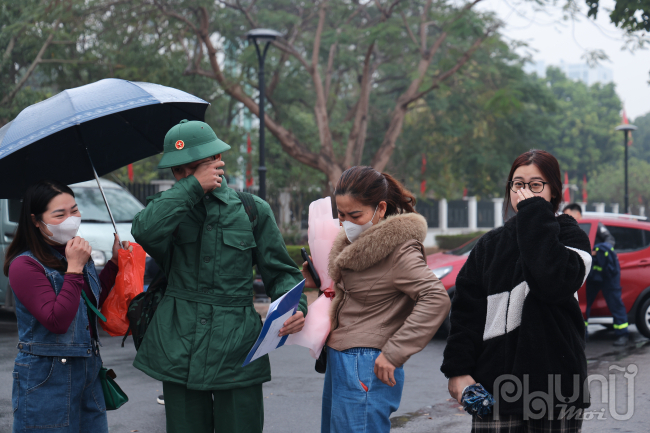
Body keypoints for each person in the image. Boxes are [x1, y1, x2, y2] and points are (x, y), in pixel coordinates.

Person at [130, 119, 307, 433]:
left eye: (195, 167)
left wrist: (297, 308)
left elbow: (281, 274)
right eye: (179, 171)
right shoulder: (167, 210)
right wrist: (192, 187)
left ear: (216, 162)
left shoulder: (253, 210)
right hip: (179, 346)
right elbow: (144, 230)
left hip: (237, 346)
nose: (185, 176)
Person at [441, 150, 592, 432]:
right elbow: (465, 315)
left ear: (553, 191)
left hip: (557, 391)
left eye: (536, 185)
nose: (525, 191)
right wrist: (458, 371)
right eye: (518, 184)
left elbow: (552, 281)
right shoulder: (489, 246)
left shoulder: (571, 237)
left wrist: (534, 213)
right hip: (496, 392)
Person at [303, 166, 451, 433]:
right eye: (341, 215)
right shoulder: (358, 245)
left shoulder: (399, 250)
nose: (346, 222)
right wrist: (319, 283)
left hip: (367, 361)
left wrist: (395, 353)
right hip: (342, 357)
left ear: (381, 209)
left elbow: (436, 298)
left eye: (355, 214)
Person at [7, 180, 131, 433]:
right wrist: (74, 268)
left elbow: (88, 302)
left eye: (74, 210)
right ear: (36, 220)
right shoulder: (24, 266)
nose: (71, 219)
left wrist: (114, 264)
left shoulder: (74, 252)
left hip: (88, 368)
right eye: (60, 214)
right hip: (46, 376)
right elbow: (57, 321)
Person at [563, 203, 629, 346]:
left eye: (569, 214)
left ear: (578, 214)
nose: (566, 218)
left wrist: (597, 250)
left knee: (615, 303)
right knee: (584, 304)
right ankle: (583, 334)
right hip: (592, 273)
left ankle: (622, 334)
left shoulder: (594, 226)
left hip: (607, 273)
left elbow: (610, 241)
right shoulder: (574, 229)